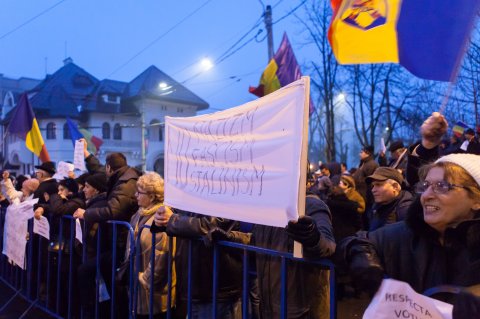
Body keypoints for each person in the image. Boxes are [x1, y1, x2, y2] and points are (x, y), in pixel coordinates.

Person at [338, 112, 480, 318]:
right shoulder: (408, 232)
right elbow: (357, 241)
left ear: (476, 199)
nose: (427, 196)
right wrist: (360, 255)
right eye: (426, 186)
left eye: (441, 186)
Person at [207, 191, 336, 319]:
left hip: (302, 312)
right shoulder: (269, 207)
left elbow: (328, 246)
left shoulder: (312, 205)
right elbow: (257, 240)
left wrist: (313, 238)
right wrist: (230, 237)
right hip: (270, 308)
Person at [151, 206, 242, 319]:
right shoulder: (193, 193)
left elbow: (214, 225)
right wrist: (163, 217)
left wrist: (173, 220)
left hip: (216, 286)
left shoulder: (226, 193)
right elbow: (183, 214)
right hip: (194, 282)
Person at [126, 172, 175, 319]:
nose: (135, 195)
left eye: (139, 192)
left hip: (154, 293)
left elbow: (162, 254)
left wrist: (145, 280)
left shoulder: (162, 217)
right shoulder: (139, 214)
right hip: (138, 290)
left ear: (152, 196)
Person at [365, 167, 413, 231]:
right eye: (373, 186)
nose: (373, 190)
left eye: (378, 185)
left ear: (395, 187)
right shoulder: (377, 205)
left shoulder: (406, 210)